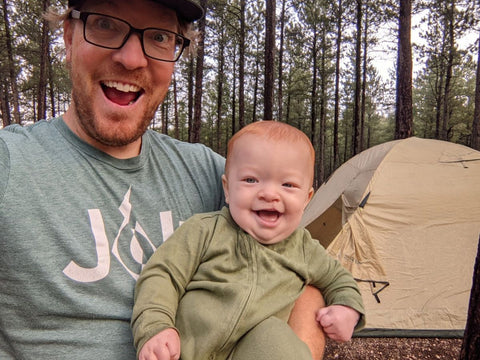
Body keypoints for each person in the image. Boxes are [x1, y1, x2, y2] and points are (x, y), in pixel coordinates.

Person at [0, 1, 327, 359]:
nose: (131, 58)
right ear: (68, 37)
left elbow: (305, 275)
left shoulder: (212, 176)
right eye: (106, 25)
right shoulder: (12, 164)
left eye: (158, 37)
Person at [132, 121, 365, 360]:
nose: (269, 194)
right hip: (184, 351)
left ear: (306, 199)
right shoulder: (204, 231)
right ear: (228, 188)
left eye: (288, 184)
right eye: (251, 180)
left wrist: (348, 308)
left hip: (254, 352)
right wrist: (156, 326)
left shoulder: (304, 249)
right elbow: (162, 274)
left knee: (275, 336)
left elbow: (339, 279)